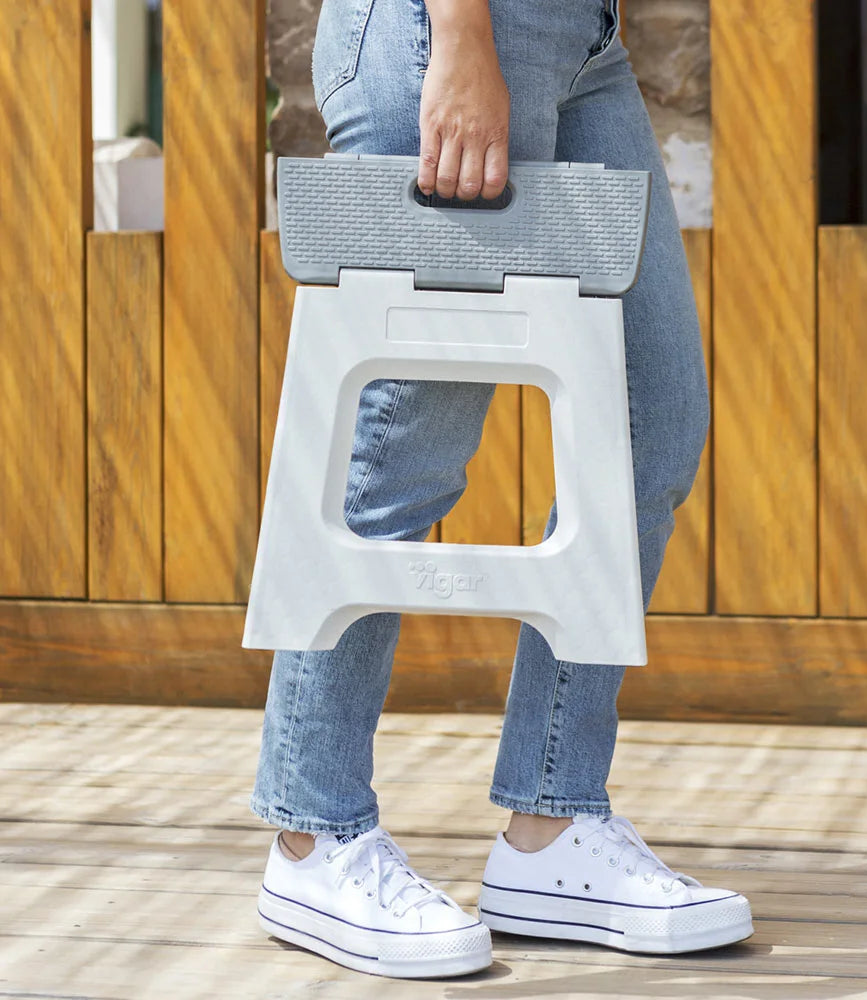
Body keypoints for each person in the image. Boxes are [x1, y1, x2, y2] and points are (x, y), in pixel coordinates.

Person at [250, 0, 752, 979]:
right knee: (401, 443)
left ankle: (550, 827)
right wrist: (461, 36)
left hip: (583, 40)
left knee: (650, 421)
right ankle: (312, 834)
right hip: (448, 27)